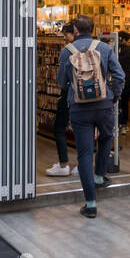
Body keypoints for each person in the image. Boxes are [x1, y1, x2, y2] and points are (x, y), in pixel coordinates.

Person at [57, 15, 125, 218]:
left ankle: (91, 203)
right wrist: (114, 96)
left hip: (79, 108)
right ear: (93, 28)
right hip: (104, 105)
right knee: (106, 138)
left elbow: (61, 81)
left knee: (85, 154)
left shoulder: (66, 51)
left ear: (75, 30)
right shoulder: (104, 48)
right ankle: (99, 176)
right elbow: (120, 76)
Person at [45, 22, 79, 177]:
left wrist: (63, 88)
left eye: (66, 34)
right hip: (90, 95)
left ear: (75, 32)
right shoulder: (97, 47)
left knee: (59, 127)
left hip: (70, 93)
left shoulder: (67, 50)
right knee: (82, 129)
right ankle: (81, 165)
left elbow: (60, 78)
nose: (64, 38)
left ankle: (64, 164)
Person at [116, 30, 130, 134]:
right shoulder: (128, 50)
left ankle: (121, 124)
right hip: (127, 80)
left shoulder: (125, 50)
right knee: (124, 103)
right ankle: (123, 125)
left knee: (121, 103)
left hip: (122, 80)